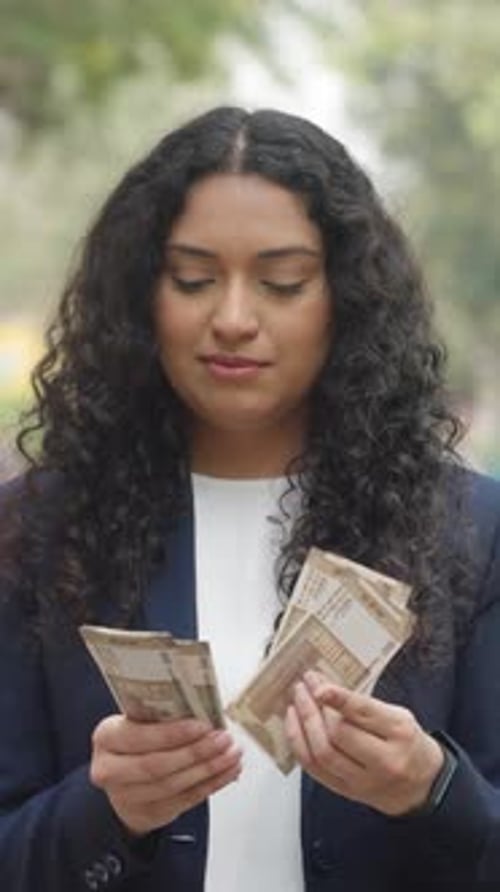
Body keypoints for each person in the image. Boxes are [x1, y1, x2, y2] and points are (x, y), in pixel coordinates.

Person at [0, 106, 499, 892]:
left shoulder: (470, 531)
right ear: (141, 294)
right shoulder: (36, 529)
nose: (233, 319)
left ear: (346, 299)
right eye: (192, 279)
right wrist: (104, 811)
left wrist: (433, 791)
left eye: (282, 283)